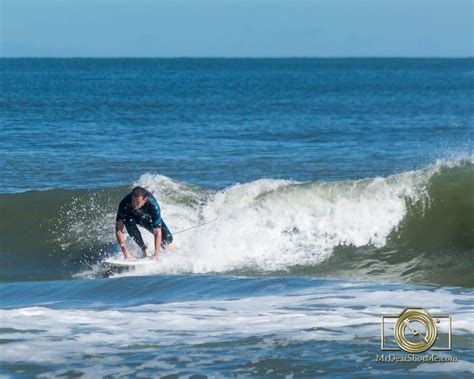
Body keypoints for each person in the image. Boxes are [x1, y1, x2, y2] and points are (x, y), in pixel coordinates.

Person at [115, 186, 173, 261]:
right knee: (129, 223)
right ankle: (144, 251)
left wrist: (157, 254)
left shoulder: (153, 205)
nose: (134, 204)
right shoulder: (124, 204)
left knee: (167, 239)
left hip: (147, 216)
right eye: (133, 201)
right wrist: (126, 254)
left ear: (144, 200)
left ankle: (171, 249)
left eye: (138, 202)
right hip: (130, 216)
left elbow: (157, 231)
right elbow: (118, 230)